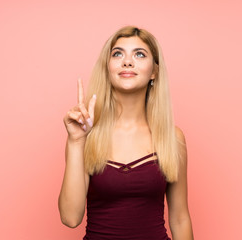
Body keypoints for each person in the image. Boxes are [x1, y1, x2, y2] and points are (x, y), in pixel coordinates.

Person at [58, 26, 194, 240]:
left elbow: (180, 218)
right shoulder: (85, 134)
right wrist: (76, 141)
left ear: (154, 72)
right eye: (118, 54)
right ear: (108, 68)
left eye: (139, 54)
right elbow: (70, 217)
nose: (127, 61)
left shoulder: (173, 139)